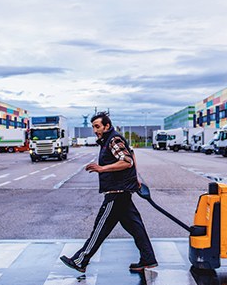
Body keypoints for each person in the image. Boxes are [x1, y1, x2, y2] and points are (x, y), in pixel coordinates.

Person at [60, 112, 157, 274]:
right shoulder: (109, 140)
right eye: (93, 127)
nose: (95, 130)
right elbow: (131, 154)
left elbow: (126, 161)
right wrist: (136, 178)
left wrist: (102, 168)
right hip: (123, 192)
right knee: (136, 227)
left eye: (97, 126)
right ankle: (148, 258)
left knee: (100, 228)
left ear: (107, 126)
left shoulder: (113, 140)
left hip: (116, 193)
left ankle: (80, 260)